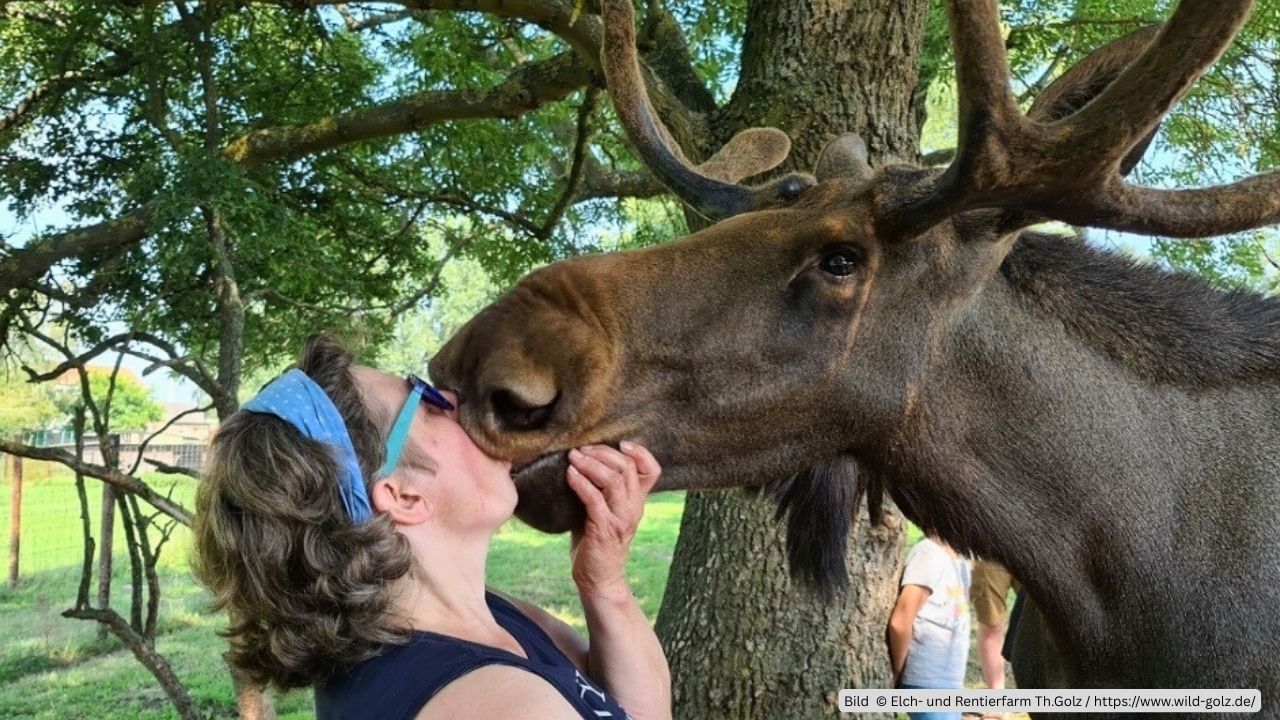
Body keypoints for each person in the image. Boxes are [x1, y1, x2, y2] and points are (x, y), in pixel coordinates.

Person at [194, 335, 671, 719]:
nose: (454, 401)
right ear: (403, 496)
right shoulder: (496, 706)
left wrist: (604, 584)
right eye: (426, 402)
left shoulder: (485, 617)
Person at [886, 534, 971, 720]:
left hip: (949, 680)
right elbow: (901, 622)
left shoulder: (960, 557)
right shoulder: (929, 554)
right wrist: (896, 673)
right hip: (927, 681)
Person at [971, 558, 1018, 702]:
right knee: (991, 622)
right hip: (989, 552)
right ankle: (997, 699)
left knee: (1042, 618)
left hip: (1034, 549)